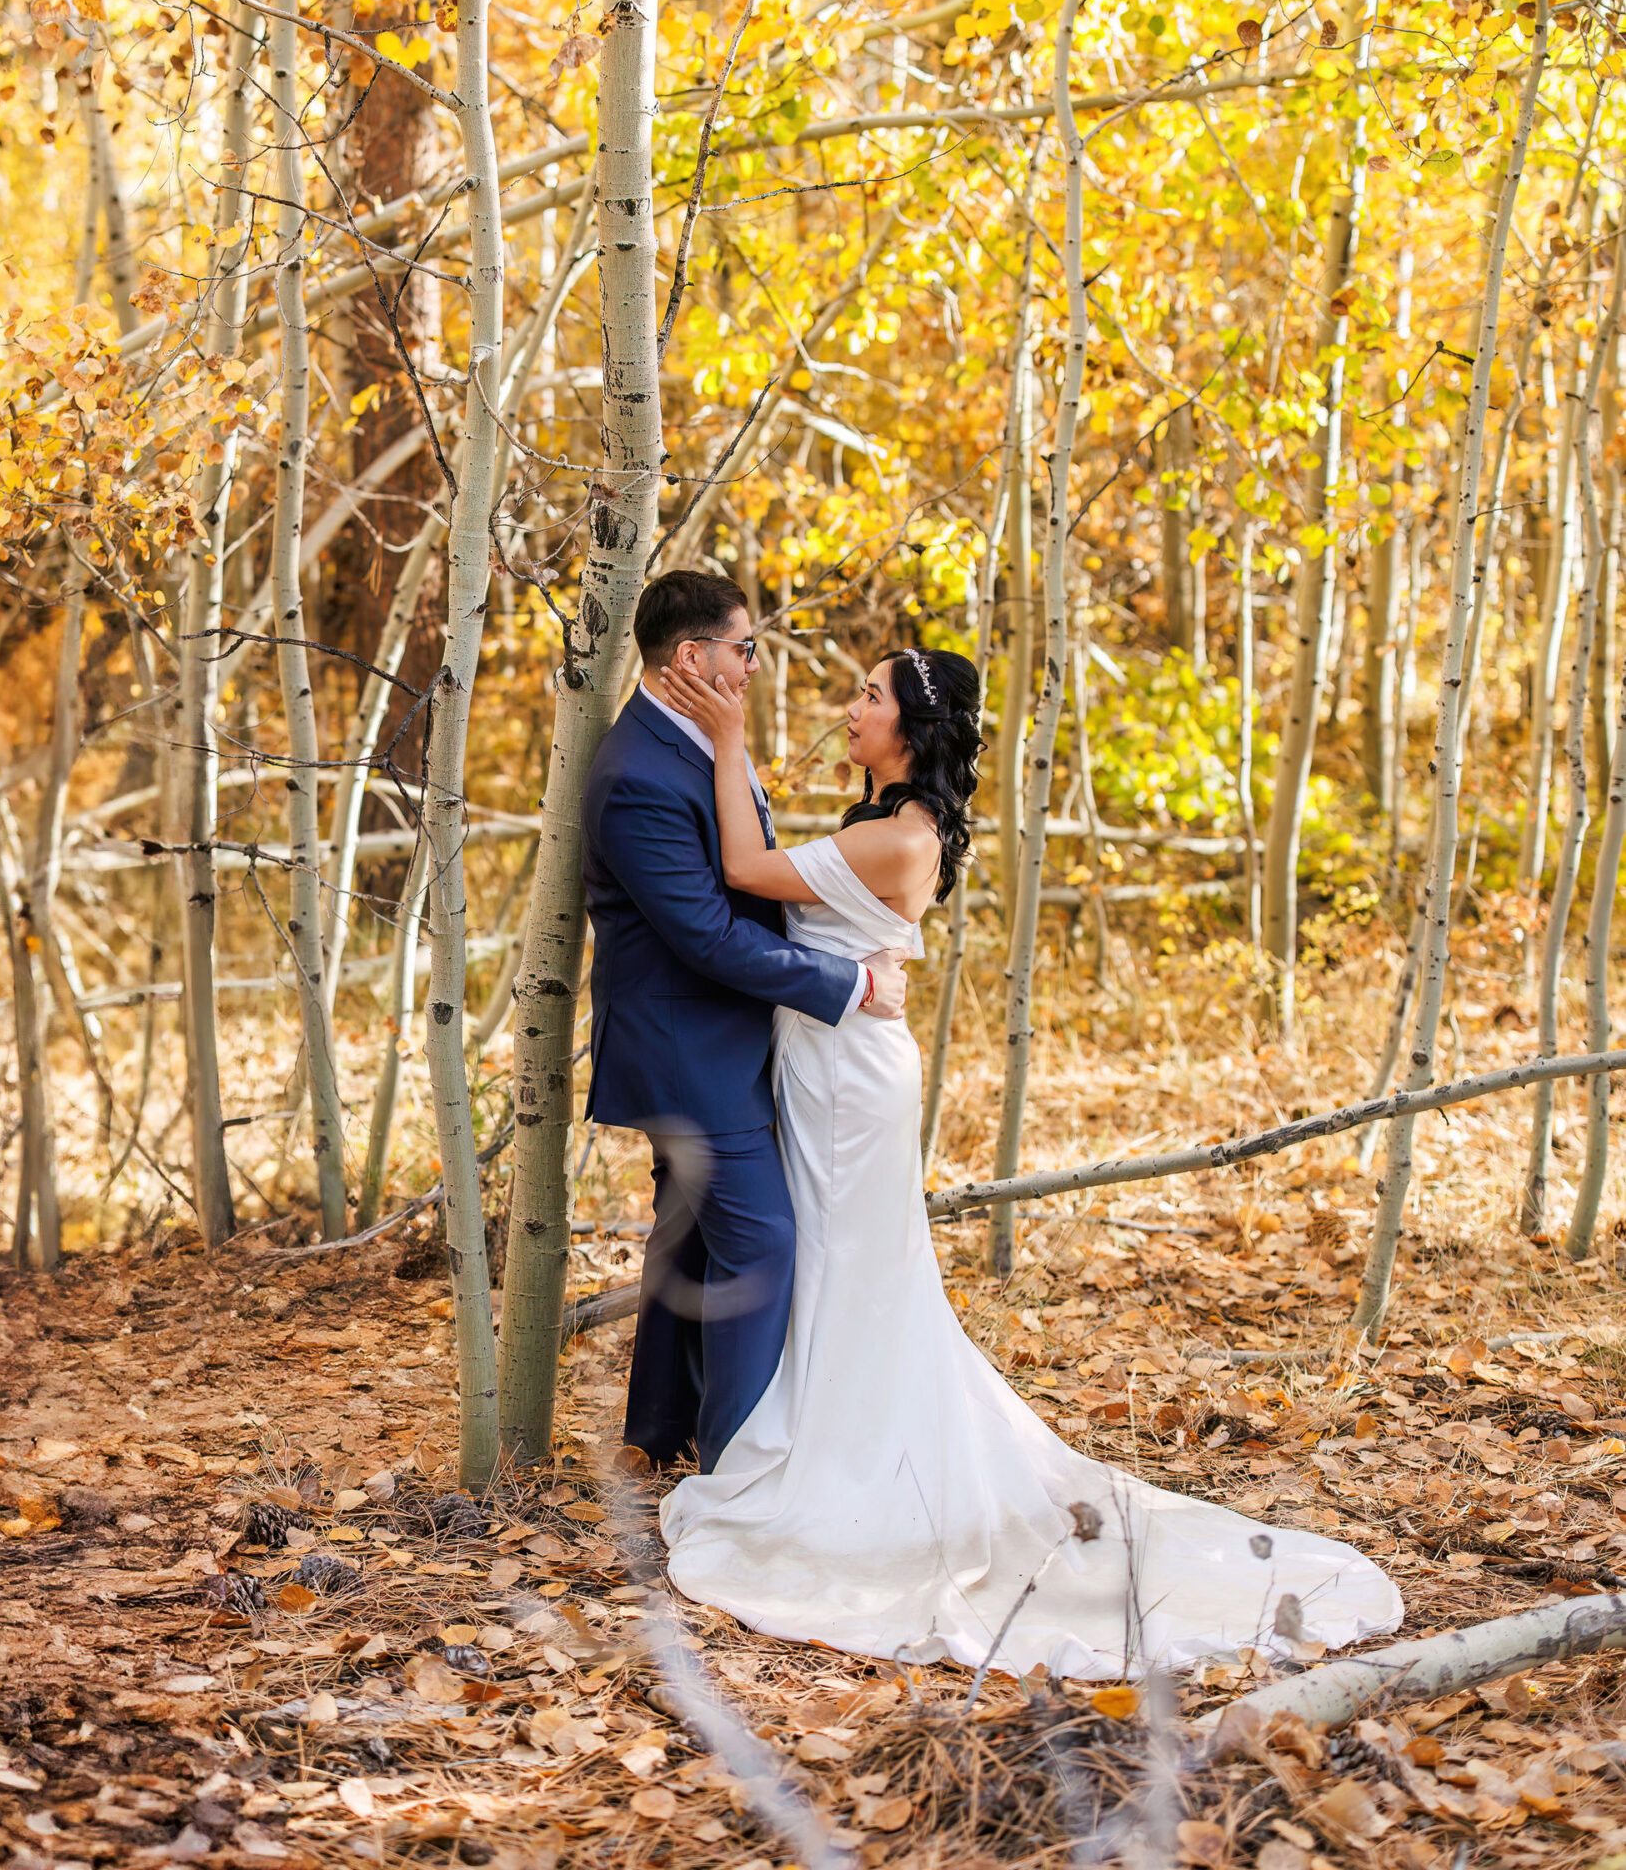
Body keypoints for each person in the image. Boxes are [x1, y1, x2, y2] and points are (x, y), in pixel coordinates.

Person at [652, 643, 1404, 1680]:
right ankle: (821, 1424)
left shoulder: (901, 838)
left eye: (869, 696)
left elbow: (742, 872)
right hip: (826, 1060)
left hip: (852, 1086)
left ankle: (857, 1461)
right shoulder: (878, 823)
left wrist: (729, 736)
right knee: (830, 1260)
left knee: (854, 1266)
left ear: (910, 732)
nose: (852, 706)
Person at [580, 570, 908, 1475]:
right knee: (761, 1245)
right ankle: (738, 1468)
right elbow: (707, 937)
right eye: (745, 647)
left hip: (718, 1038)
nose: (756, 664)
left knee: (688, 1237)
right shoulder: (640, 772)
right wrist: (848, 983)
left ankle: (656, 1436)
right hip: (686, 1048)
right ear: (693, 657)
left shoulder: (697, 740)